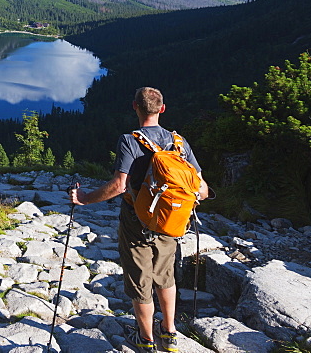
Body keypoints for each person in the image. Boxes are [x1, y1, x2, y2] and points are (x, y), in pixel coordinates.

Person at [70, 87, 209, 352]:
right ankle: (169, 334)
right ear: (162, 108)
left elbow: (119, 186)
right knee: (165, 275)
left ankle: (145, 339)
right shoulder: (178, 142)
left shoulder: (130, 141)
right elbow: (201, 189)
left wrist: (84, 198)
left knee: (139, 279)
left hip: (137, 221)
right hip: (171, 222)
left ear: (135, 106)